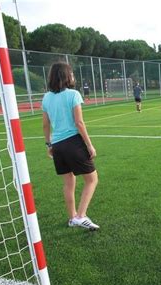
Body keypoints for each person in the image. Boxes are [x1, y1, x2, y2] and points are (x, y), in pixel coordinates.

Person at [42, 62, 99, 231]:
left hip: (57, 145)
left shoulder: (46, 98)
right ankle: (81, 216)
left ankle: (72, 217)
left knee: (68, 183)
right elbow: (79, 123)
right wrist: (89, 145)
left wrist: (49, 144)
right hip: (73, 142)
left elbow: (45, 125)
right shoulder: (73, 94)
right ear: (66, 76)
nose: (73, 76)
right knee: (92, 179)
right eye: (71, 73)